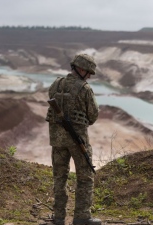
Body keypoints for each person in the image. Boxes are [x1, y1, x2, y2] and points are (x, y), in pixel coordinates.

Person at [46, 53, 101, 225]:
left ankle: (59, 217)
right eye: (89, 72)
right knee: (85, 178)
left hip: (57, 140)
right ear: (81, 69)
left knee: (59, 178)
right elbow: (93, 115)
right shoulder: (85, 89)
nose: (90, 76)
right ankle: (82, 217)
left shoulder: (56, 83)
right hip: (78, 141)